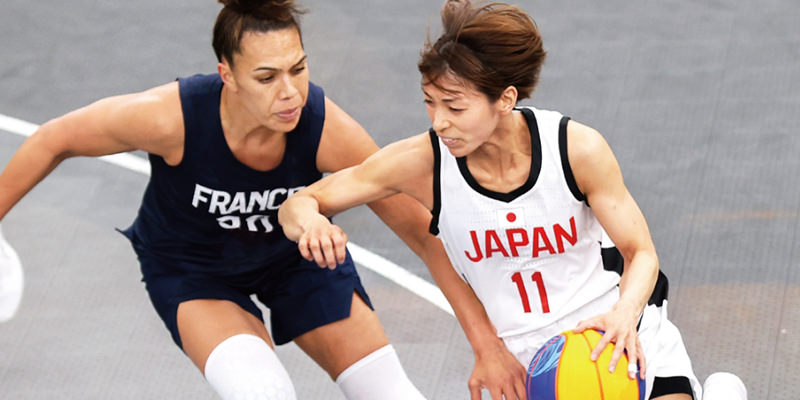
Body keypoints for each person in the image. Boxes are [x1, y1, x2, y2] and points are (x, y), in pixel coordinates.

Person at [0, 0, 529, 398]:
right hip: (194, 271)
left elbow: (422, 231)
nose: (290, 92)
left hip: (297, 261)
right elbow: (54, 139)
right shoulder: (170, 118)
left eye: (298, 69)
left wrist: (486, 345)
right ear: (227, 76)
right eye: (266, 77)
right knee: (262, 392)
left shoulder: (325, 129)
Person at [279, 1, 748, 399]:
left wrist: (625, 314)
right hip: (531, 359)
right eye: (430, 103)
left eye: (455, 106)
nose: (439, 121)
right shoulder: (422, 163)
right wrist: (312, 222)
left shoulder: (575, 149)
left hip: (614, 332)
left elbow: (640, 252)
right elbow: (300, 205)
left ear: (504, 99)